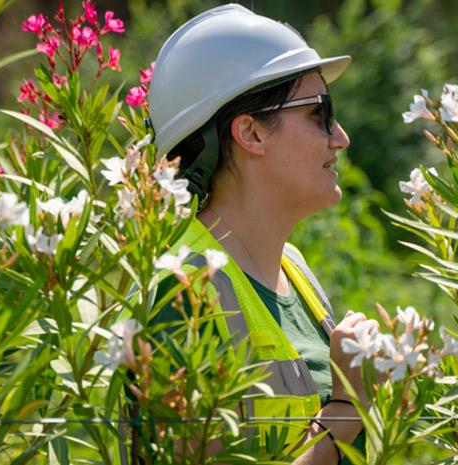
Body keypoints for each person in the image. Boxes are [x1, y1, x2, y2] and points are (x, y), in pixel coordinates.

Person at [147, 4, 372, 463]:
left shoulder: (295, 270)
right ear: (251, 133)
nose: (341, 137)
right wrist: (348, 408)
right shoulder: (185, 292)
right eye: (320, 113)